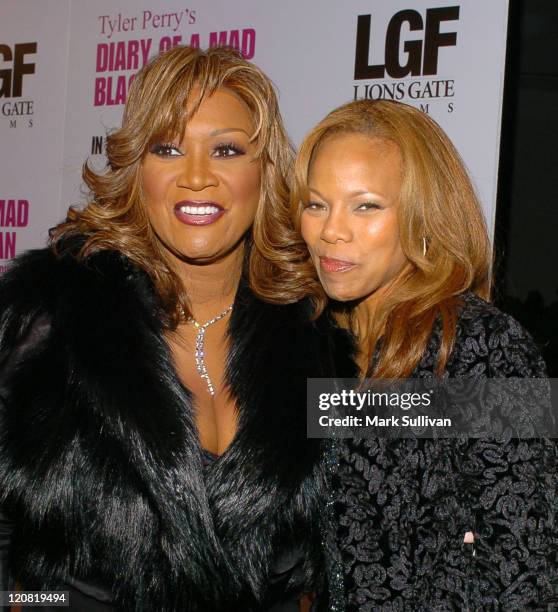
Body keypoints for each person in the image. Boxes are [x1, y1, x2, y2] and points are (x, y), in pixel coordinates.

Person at [0, 46, 355, 612]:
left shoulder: (317, 339)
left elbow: (499, 418)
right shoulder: (54, 317)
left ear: (265, 173)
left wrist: (465, 327)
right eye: (167, 148)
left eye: (226, 149)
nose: (195, 177)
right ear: (137, 170)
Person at [290, 99, 557, 610]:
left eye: (366, 205)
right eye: (316, 203)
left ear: (422, 216)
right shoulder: (313, 344)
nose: (331, 231)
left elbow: (529, 572)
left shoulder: (485, 346)